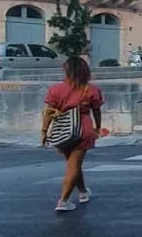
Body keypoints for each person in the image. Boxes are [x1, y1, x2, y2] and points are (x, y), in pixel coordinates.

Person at [41, 56, 106, 213]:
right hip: (83, 128)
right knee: (74, 165)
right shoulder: (91, 90)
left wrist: (44, 131)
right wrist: (98, 127)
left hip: (63, 129)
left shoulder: (55, 90)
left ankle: (83, 192)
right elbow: (96, 110)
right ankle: (63, 200)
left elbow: (49, 112)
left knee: (72, 163)